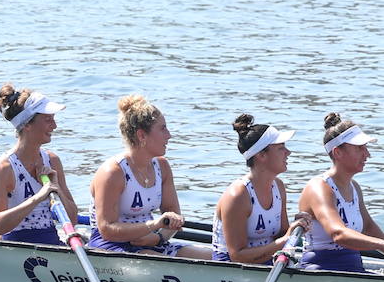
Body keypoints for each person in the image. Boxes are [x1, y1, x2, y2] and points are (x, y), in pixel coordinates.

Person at [88, 94, 210, 259]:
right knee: (163, 263)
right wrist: (154, 225)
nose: (169, 135)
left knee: (215, 256)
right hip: (109, 246)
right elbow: (107, 229)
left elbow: (174, 217)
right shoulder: (113, 172)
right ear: (142, 136)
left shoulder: (162, 166)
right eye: (163, 129)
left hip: (149, 241)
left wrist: (159, 237)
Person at [0, 84, 78, 245]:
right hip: (18, 247)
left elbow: (73, 218)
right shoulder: (4, 168)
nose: (54, 126)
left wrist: (57, 189)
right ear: (27, 125)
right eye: (48, 119)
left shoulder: (52, 160)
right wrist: (39, 197)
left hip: (51, 242)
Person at [209, 115, 303, 264]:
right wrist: (285, 240)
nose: (288, 152)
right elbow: (237, 256)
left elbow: (282, 235)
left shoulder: (278, 187)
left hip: (267, 261)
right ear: (261, 155)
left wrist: (297, 227)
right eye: (281, 148)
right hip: (231, 268)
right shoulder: (238, 195)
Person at [297, 114, 384, 272]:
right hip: (321, 270)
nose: (367, 154)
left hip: (352, 268)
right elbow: (338, 234)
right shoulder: (318, 187)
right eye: (360, 148)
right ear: (337, 153)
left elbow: (369, 228)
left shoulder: (354, 187)